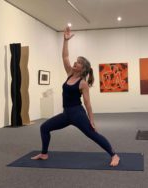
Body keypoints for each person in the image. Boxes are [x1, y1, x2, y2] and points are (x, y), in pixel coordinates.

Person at [31, 26, 120, 166]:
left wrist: (91, 120)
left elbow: (87, 103)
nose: (74, 62)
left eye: (78, 62)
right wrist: (65, 40)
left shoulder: (83, 83)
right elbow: (65, 56)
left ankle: (114, 155)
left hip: (78, 113)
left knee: (93, 134)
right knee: (44, 127)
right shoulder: (69, 74)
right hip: (66, 113)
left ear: (83, 68)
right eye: (76, 60)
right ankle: (44, 153)